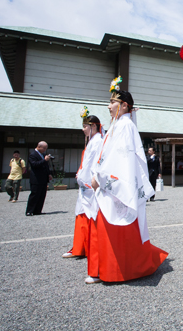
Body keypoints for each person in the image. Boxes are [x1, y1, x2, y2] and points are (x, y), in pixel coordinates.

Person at [87, 77, 167, 284]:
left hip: (115, 183)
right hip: (108, 182)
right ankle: (102, 269)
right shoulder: (117, 125)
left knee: (117, 226)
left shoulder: (124, 126)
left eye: (112, 102)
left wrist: (101, 177)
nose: (108, 106)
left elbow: (119, 158)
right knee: (106, 225)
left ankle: (117, 270)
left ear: (124, 105)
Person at [62, 109, 103, 259]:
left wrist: (88, 178)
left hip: (90, 185)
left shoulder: (98, 141)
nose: (83, 129)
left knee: (90, 215)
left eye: (85, 126)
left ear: (93, 126)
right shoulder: (93, 141)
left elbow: (96, 163)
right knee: (83, 214)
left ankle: (86, 247)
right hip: (85, 183)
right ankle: (80, 247)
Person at [26, 141, 53, 216]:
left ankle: (38, 210)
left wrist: (49, 174)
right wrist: (44, 160)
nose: (45, 149)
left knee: (42, 195)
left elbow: (46, 166)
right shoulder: (33, 155)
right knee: (34, 194)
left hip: (43, 178)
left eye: (46, 148)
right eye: (44, 148)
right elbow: (34, 164)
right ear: (39, 146)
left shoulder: (43, 154)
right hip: (36, 178)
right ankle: (29, 210)